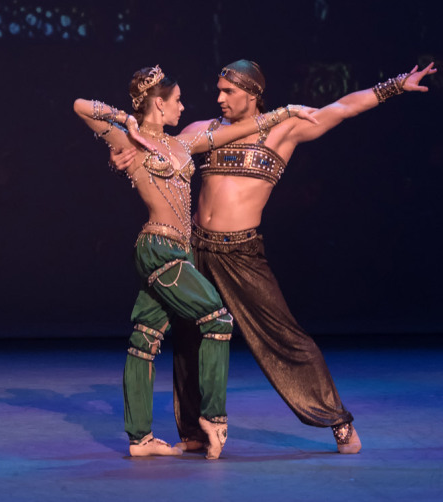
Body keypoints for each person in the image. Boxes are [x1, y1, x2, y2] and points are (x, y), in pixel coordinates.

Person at [111, 59, 437, 456]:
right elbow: (153, 144)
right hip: (194, 247)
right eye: (219, 90)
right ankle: (196, 430)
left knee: (284, 337)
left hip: (241, 252)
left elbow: (344, 107)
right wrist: (124, 154)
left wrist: (397, 85)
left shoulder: (284, 129)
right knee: (188, 338)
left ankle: (337, 420)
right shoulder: (203, 130)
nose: (219, 98)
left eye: (228, 91)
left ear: (252, 93)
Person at [74, 64, 317, 459]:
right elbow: (81, 106)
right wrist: (127, 123)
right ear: (158, 103)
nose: (184, 107)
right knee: (218, 318)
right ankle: (213, 418)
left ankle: (139, 439)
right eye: (177, 100)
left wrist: (284, 112)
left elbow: (236, 131)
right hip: (158, 248)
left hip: (180, 251)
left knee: (145, 338)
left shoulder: (182, 145)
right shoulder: (129, 143)